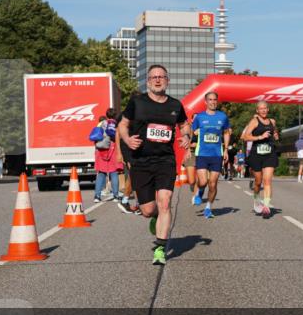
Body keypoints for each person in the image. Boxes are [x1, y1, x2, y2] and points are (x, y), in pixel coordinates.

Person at [117, 64, 191, 266]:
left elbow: (184, 124)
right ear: (148, 81)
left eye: (161, 77)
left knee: (165, 201)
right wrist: (127, 139)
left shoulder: (175, 105)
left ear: (167, 80)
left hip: (165, 160)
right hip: (141, 160)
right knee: (148, 210)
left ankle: (160, 248)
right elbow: (122, 124)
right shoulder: (137, 102)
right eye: (154, 77)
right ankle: (155, 216)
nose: (158, 80)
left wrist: (186, 136)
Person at [191, 90, 232, 219]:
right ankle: (199, 193)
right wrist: (192, 138)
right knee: (203, 181)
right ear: (205, 102)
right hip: (202, 153)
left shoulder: (222, 117)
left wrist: (226, 149)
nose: (213, 102)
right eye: (210, 100)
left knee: (213, 183)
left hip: (216, 154)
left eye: (215, 100)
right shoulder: (199, 117)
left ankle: (208, 207)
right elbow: (192, 132)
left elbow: (226, 132)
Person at [241, 102, 279, 219]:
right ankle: (256, 199)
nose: (263, 110)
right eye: (261, 109)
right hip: (256, 154)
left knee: (267, 181)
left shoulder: (272, 121)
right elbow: (245, 137)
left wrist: (276, 135)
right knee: (258, 182)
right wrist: (260, 137)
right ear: (257, 110)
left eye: (265, 108)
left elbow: (275, 132)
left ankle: (266, 207)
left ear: (268, 109)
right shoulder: (254, 121)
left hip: (269, 154)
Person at [93, 108, 121, 203]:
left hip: (101, 150)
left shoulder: (101, 124)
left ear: (107, 115)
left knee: (101, 173)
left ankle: (97, 196)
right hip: (113, 149)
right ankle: (116, 195)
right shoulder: (116, 124)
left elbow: (96, 136)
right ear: (115, 116)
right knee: (114, 173)